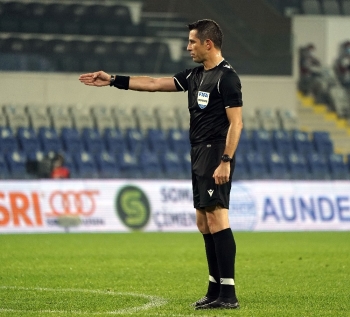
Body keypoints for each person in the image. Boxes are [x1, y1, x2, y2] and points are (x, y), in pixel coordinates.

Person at [79, 19, 243, 310]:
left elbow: (237, 123)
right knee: (204, 222)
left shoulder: (226, 78)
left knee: (217, 218)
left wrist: (226, 160)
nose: (188, 47)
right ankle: (214, 287)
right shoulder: (194, 76)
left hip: (215, 151)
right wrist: (114, 79)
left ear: (208, 43)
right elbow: (154, 84)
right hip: (197, 152)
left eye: (192, 41)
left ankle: (228, 293)